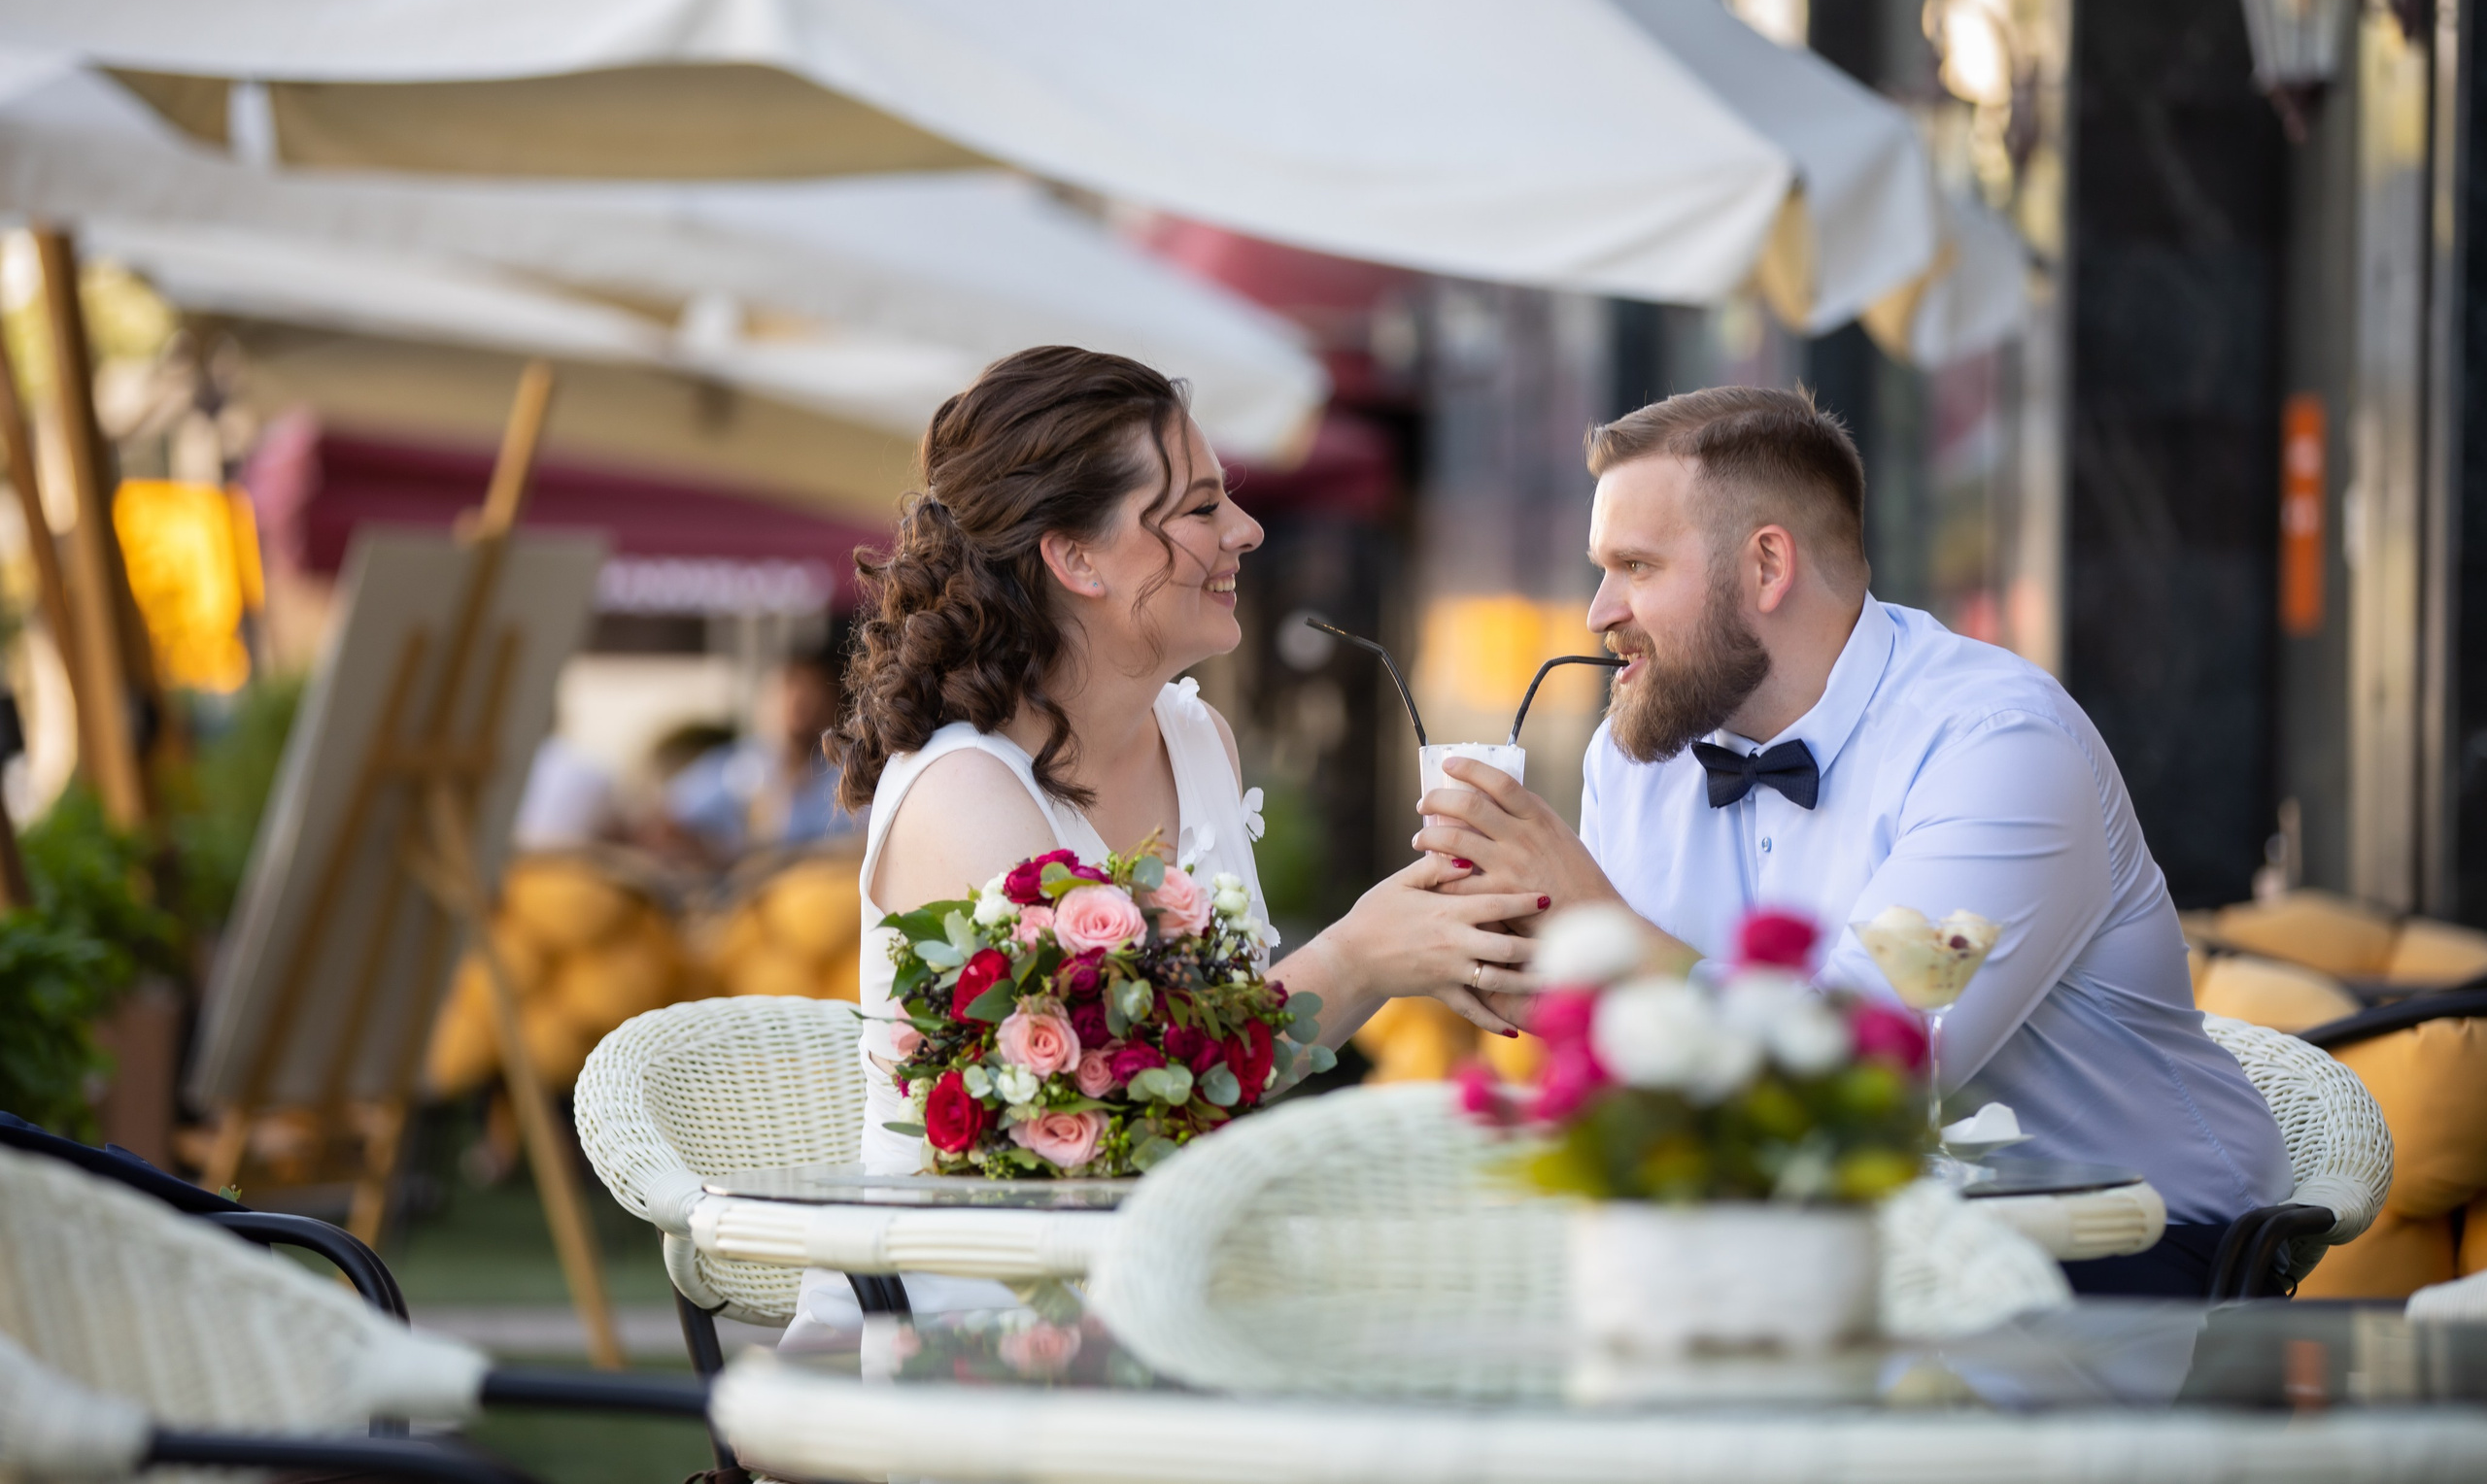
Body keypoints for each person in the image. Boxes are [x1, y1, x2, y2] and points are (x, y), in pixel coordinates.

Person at [1415, 387, 2290, 1298]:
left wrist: (1598, 928)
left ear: (1767, 565)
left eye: (1635, 565)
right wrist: (1532, 975)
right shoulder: (1635, 758)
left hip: (2130, 1254)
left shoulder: (1999, 745)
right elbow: (1664, 1074)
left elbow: (1873, 1071)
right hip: (1812, 1242)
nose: (1598, 612)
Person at [835, 345, 1544, 1176]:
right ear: (1077, 557)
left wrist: (1425, 940)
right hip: (977, 1246)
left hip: (1165, 1230)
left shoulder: (1200, 738)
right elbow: (1112, 1118)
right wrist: (1359, 954)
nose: (1248, 530)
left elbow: (1224, 1081)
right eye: (1203, 507)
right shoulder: (966, 791)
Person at [663, 641, 860, 864]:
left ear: (833, 702)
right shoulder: (737, 767)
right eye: (788, 689)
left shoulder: (851, 774)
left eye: (812, 692)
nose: (798, 704)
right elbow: (667, 820)